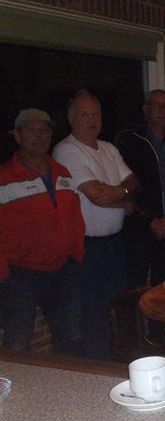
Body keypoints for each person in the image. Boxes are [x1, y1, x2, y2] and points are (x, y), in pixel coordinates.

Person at [53, 90, 138, 359]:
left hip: (115, 245)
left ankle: (117, 366)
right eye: (84, 115)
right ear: (71, 118)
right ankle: (97, 371)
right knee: (93, 314)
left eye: (96, 114)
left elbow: (134, 182)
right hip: (87, 248)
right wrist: (124, 198)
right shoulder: (66, 150)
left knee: (116, 308)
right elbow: (97, 195)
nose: (92, 120)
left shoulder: (109, 149)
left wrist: (121, 193)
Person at [0, 108, 84, 354]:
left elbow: (74, 216)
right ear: (17, 135)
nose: (39, 135)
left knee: (71, 338)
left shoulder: (62, 173)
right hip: (21, 274)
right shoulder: (4, 178)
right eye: (31, 130)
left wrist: (76, 252)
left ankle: (65, 380)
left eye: (44, 130)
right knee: (18, 342)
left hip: (62, 270)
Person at [115, 90, 165, 291]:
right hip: (139, 226)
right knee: (135, 285)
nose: (162, 110)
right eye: (157, 105)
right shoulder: (130, 140)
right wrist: (149, 219)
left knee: (164, 287)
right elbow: (125, 184)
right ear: (146, 109)